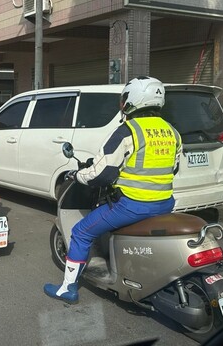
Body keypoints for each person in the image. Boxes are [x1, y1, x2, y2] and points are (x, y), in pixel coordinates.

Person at [43, 76, 183, 304]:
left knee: (81, 232)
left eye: (124, 98)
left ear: (132, 100)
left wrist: (76, 175)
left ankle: (68, 289)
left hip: (131, 205)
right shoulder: (172, 132)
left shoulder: (128, 131)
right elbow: (174, 168)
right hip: (165, 203)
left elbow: (101, 173)